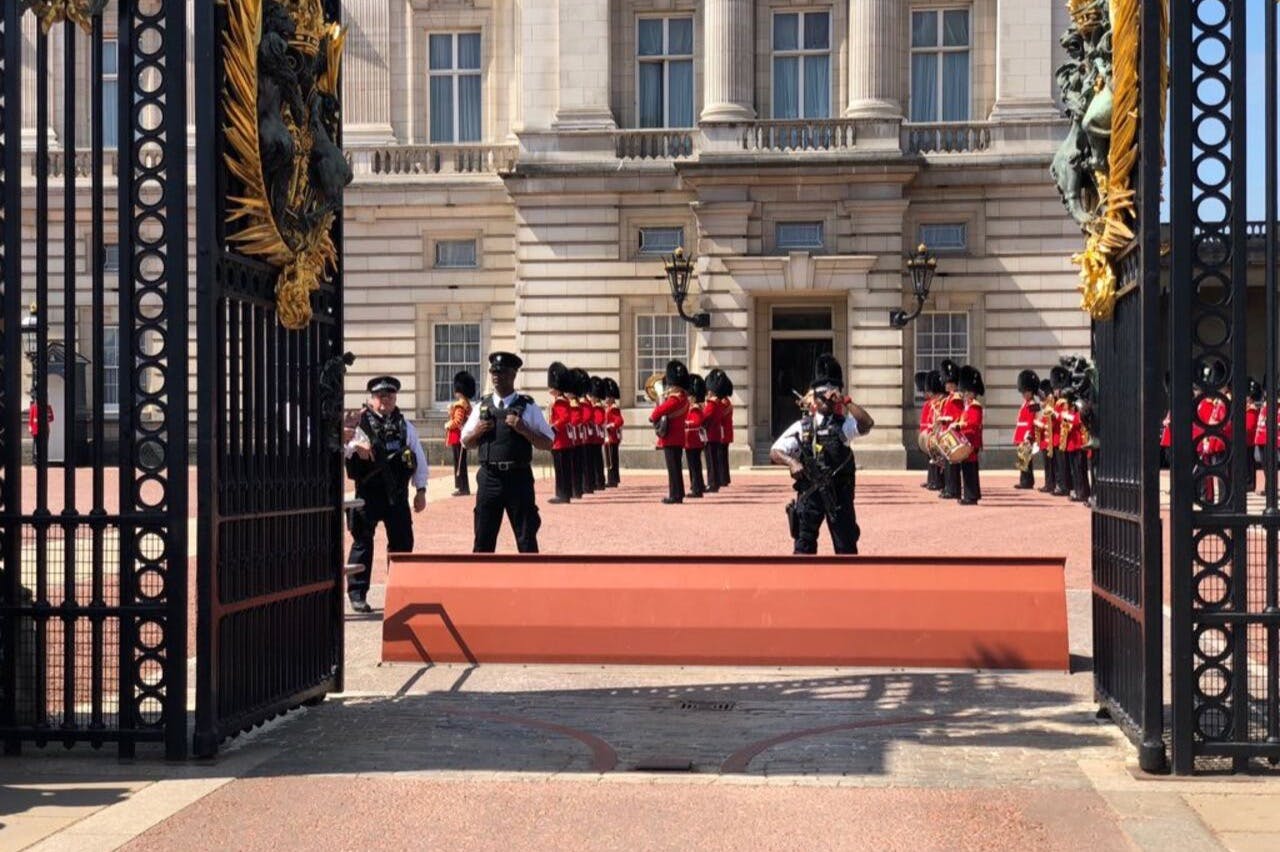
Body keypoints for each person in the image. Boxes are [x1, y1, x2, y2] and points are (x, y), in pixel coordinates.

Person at [771, 353, 873, 555]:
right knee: (803, 546)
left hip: (838, 495)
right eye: (821, 395)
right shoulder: (803, 426)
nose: (826, 400)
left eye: (830, 395)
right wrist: (791, 462)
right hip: (810, 493)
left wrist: (845, 400)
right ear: (814, 398)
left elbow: (867, 423)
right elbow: (775, 451)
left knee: (846, 546)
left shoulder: (844, 426)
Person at [344, 376, 429, 613]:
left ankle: (399, 590)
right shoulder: (359, 423)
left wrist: (421, 490)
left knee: (402, 545)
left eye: (390, 397)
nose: (386, 401)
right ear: (372, 399)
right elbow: (340, 447)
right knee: (362, 543)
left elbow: (419, 458)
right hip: (368, 494)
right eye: (381, 397)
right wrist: (354, 448)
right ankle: (357, 594)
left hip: (397, 494)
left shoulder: (405, 425)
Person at [460, 352, 555, 552]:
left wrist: (524, 430)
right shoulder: (481, 407)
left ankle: (530, 581)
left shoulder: (528, 407)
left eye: (501, 372)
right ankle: (480, 581)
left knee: (526, 538)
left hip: (518, 478)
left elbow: (548, 442)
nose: (496, 376)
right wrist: (478, 431)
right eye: (493, 371)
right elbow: (465, 442)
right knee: (483, 539)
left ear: (513, 375)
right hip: (489, 478)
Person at [650, 359, 691, 504]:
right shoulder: (684, 398)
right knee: (676, 467)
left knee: (673, 468)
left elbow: (660, 410)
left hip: (671, 437)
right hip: (678, 437)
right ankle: (679, 492)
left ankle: (675, 495)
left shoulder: (675, 399)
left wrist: (652, 417)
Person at [955, 365, 985, 505]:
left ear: (973, 392)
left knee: (970, 470)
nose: (965, 394)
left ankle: (971, 496)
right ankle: (971, 494)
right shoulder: (967, 406)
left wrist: (960, 426)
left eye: (967, 392)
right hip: (966, 440)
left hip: (971, 441)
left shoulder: (975, 406)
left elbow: (973, 423)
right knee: (967, 469)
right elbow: (963, 420)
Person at [546, 361, 575, 504]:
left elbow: (565, 418)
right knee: (562, 469)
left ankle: (563, 494)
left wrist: (553, 426)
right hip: (560, 440)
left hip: (561, 441)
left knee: (562, 470)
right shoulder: (558, 401)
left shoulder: (560, 402)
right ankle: (563, 493)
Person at [936, 359, 964, 500]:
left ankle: (954, 490)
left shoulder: (957, 398)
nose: (946, 385)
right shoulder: (948, 399)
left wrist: (948, 420)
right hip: (947, 434)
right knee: (947, 463)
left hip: (953, 434)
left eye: (948, 383)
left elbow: (959, 416)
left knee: (953, 464)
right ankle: (948, 488)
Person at [446, 370, 476, 496]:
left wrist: (447, 424)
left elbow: (457, 422)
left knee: (458, 463)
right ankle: (464, 487)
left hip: (457, 436)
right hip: (462, 435)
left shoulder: (459, 405)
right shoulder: (467, 404)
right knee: (461, 462)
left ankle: (461, 487)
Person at [1013, 369, 1040, 490]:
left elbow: (1032, 420)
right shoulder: (1025, 403)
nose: (1024, 394)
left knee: (1026, 459)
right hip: (1021, 433)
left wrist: (1029, 435)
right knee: (1023, 458)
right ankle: (1024, 480)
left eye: (1026, 392)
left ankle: (1027, 481)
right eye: (1023, 392)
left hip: (1026, 434)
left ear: (1031, 392)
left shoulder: (1033, 404)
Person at [684, 373, 708, 498]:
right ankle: (697, 486)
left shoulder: (696, 409)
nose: (687, 398)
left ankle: (697, 488)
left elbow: (696, 422)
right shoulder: (691, 408)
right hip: (690, 442)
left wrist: (685, 423)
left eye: (689, 396)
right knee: (694, 465)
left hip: (694, 442)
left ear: (693, 397)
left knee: (694, 466)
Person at [604, 378, 623, 487]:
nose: (605, 399)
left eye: (607, 397)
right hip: (608, 438)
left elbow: (619, 421)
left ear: (611, 398)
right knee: (609, 460)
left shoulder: (614, 408)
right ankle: (612, 479)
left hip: (612, 437)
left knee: (612, 460)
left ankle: (613, 480)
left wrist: (611, 425)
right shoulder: (607, 408)